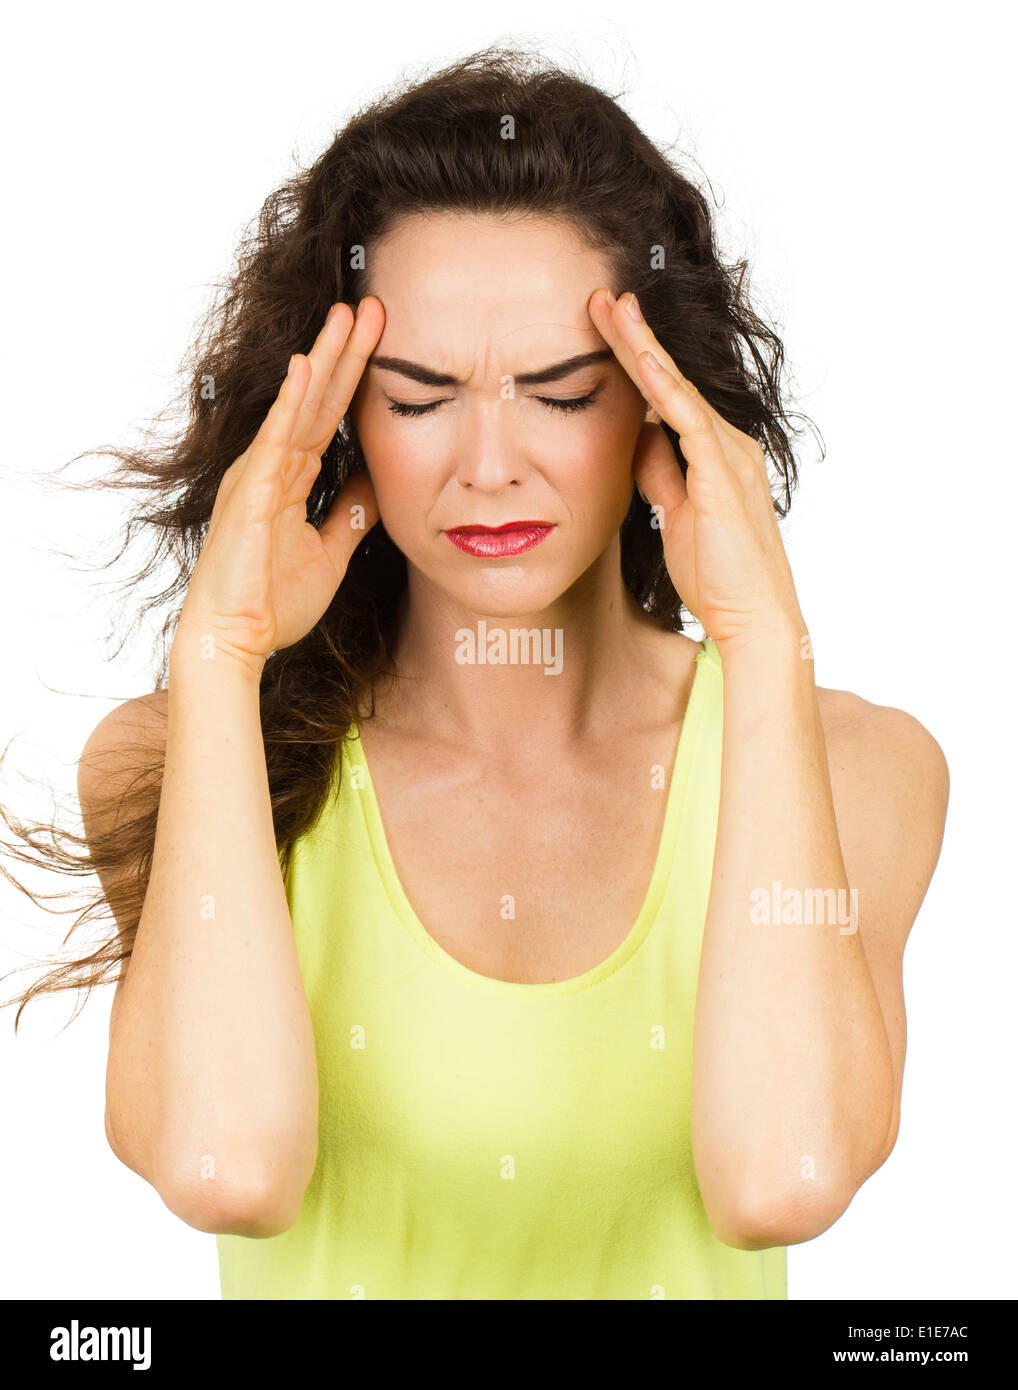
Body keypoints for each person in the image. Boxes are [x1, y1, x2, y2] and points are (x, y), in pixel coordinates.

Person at [1, 47, 949, 1300]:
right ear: (338, 418)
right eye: (419, 396)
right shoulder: (173, 759)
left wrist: (766, 640)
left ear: (660, 409)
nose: (488, 465)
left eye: (559, 393)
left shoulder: (856, 768)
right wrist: (220, 651)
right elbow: (224, 1166)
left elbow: (786, 1174)